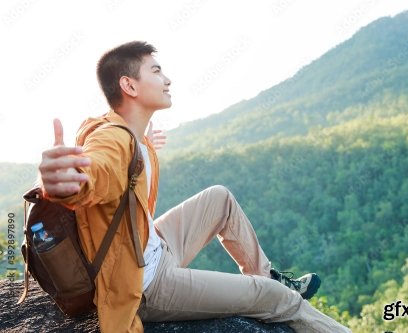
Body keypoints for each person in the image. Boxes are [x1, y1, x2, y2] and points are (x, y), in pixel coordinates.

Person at [38, 41, 351, 333]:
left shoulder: (129, 132)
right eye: (156, 71)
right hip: (146, 282)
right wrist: (65, 183)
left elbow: (121, 175)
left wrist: (147, 145)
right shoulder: (111, 138)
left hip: (151, 246)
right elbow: (98, 171)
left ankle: (265, 273)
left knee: (219, 198)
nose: (167, 80)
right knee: (279, 299)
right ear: (129, 85)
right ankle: (280, 294)